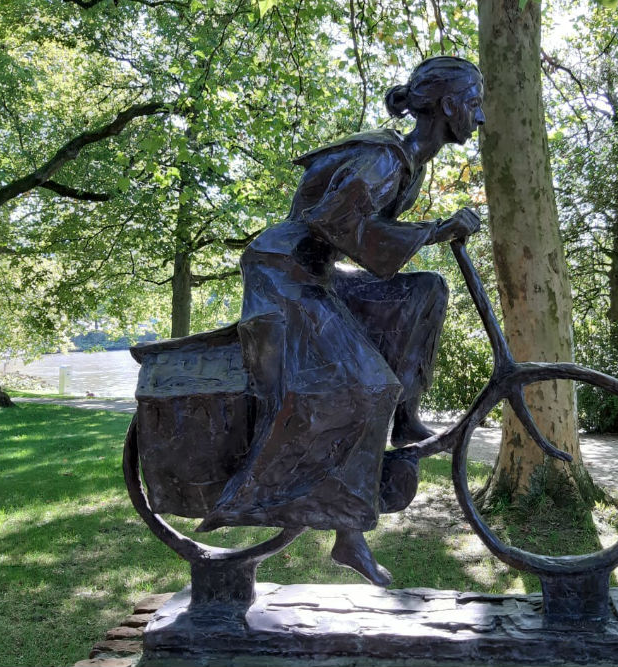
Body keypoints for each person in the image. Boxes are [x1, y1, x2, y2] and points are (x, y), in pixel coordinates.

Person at [197, 57, 485, 586]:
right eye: (474, 103)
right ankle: (349, 535)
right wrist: (432, 229)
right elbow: (338, 223)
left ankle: (402, 418)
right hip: (286, 272)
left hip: (320, 268)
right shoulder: (384, 159)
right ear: (447, 106)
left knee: (425, 290)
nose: (480, 116)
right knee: (364, 382)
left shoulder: (411, 161)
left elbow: (358, 234)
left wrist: (428, 232)